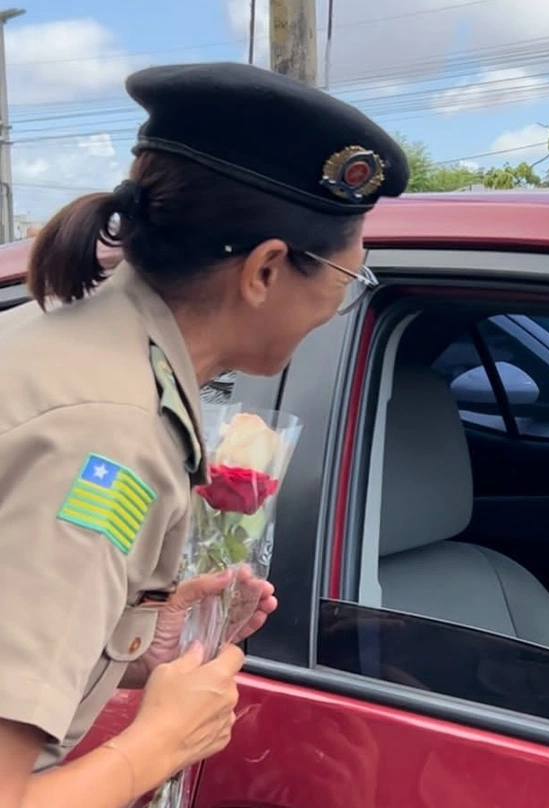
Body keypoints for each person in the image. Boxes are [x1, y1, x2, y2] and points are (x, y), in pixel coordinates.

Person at [0, 61, 408, 808]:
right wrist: (161, 742)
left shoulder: (70, 348)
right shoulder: (106, 438)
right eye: (347, 284)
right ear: (265, 271)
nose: (336, 309)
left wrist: (135, 641)